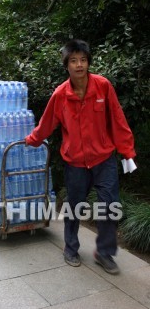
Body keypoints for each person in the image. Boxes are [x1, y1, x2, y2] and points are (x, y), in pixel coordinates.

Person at [25, 39, 136, 275]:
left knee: (110, 205)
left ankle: (104, 252)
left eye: (83, 60)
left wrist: (127, 152)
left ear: (88, 63)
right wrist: (31, 141)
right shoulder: (61, 95)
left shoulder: (103, 86)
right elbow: (47, 124)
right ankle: (71, 247)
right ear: (67, 65)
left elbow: (117, 120)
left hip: (103, 158)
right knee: (75, 206)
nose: (79, 65)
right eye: (74, 61)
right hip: (75, 161)